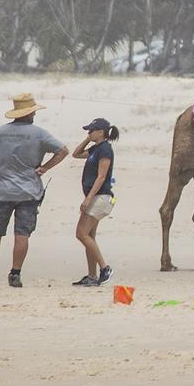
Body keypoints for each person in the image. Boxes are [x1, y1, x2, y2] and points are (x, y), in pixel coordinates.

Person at [0, 94, 69, 288]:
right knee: (22, 234)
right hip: (29, 190)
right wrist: (45, 167)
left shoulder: (1, 132)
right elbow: (63, 150)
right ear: (30, 113)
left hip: (4, 190)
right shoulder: (39, 133)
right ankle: (15, 274)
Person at [70, 118, 119, 287]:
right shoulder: (95, 149)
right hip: (96, 197)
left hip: (101, 198)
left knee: (81, 233)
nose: (89, 133)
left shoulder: (105, 149)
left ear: (101, 132)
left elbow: (101, 176)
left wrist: (88, 198)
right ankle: (91, 276)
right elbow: (75, 154)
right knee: (89, 236)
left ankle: (105, 268)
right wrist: (87, 139)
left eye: (91, 131)